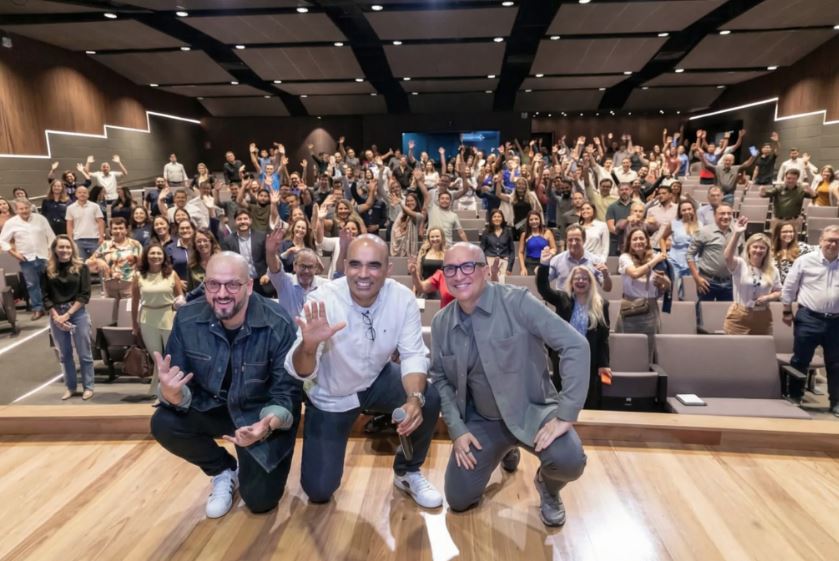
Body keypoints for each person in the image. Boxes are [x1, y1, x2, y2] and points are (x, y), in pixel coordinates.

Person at [430, 242, 588, 526]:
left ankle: (548, 488)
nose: (458, 275)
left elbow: (576, 346)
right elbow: (440, 378)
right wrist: (457, 430)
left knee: (569, 460)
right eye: (450, 268)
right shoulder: (442, 321)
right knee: (458, 499)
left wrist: (566, 414)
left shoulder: (518, 302)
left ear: (485, 270)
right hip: (484, 420)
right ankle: (505, 448)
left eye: (468, 266)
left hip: (534, 412)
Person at [285, 235, 443, 508]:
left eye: (373, 266)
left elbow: (413, 354)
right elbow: (300, 371)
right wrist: (309, 346)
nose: (363, 274)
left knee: (428, 397)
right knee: (319, 491)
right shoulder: (322, 300)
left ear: (388, 269)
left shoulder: (402, 297)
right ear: (344, 266)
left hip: (377, 379)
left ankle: (407, 472)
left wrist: (414, 399)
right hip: (331, 396)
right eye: (355, 265)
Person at [150, 252, 303, 518]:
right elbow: (179, 382)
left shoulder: (277, 322)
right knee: (163, 422)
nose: (222, 293)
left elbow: (287, 393)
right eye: (213, 284)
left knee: (260, 502)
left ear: (250, 286)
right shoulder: (187, 320)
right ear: (205, 285)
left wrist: (265, 426)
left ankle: (252, 461)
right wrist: (172, 395)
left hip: (259, 416)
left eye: (232, 284)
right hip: (212, 407)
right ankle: (223, 470)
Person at [537, 257, 610, 409]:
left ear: (590, 282)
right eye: (577, 278)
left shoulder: (601, 304)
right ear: (571, 282)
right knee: (563, 397)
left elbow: (603, 338)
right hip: (564, 357)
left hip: (589, 358)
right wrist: (544, 265)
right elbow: (543, 288)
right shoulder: (563, 299)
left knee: (588, 398)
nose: (581, 281)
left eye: (585, 278)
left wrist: (604, 364)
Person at [781, 224, 839, 413]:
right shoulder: (805, 260)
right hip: (809, 318)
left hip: (836, 321)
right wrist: (787, 310)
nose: (833, 244)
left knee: (836, 363)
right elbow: (790, 286)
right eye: (830, 240)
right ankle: (796, 397)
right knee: (800, 360)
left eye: (837, 241)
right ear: (821, 241)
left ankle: (836, 402)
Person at [41, 236, 94, 400]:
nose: (64, 250)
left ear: (72, 249)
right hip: (56, 315)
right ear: (55, 250)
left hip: (77, 313)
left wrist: (68, 314)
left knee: (84, 353)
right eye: (61, 247)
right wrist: (56, 316)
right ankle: (70, 387)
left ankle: (88, 387)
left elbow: (85, 294)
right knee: (64, 355)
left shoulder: (81, 268)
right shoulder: (47, 270)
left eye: (68, 247)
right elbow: (45, 296)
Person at [131, 243, 184, 399]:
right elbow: (134, 302)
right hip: (147, 318)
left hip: (169, 316)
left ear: (164, 256)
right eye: (152, 253)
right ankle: (161, 391)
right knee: (157, 358)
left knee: (169, 357)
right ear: (146, 256)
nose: (155, 256)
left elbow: (181, 299)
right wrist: (134, 324)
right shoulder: (139, 276)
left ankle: (162, 391)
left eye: (159, 253)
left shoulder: (172, 274)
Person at [617, 227, 671, 362]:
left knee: (649, 349)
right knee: (627, 349)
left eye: (642, 238)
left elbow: (667, 285)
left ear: (647, 241)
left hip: (650, 310)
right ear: (629, 243)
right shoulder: (625, 257)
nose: (638, 241)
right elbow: (635, 274)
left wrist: (663, 282)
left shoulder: (655, 257)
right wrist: (655, 261)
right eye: (634, 239)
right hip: (630, 308)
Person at [722, 217, 781, 335]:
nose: (758, 250)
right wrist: (737, 234)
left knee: (760, 350)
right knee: (734, 350)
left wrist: (768, 298)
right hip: (739, 315)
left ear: (767, 251)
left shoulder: (773, 269)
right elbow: (727, 257)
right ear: (748, 249)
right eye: (755, 247)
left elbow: (779, 291)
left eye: (762, 248)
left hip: (763, 315)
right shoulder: (740, 264)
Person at [0, 199, 56, 320]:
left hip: (44, 256)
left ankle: (51, 306)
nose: (24, 211)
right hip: (26, 258)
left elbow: (51, 236)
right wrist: (14, 253)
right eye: (21, 209)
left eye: (26, 208)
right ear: (16, 210)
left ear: (30, 207)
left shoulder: (40, 219)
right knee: (32, 284)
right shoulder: (11, 223)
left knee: (46, 283)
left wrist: (51, 252)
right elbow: (2, 240)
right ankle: (37, 309)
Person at [266, 227, 327, 319]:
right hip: (290, 332)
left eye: (310, 267)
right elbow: (275, 268)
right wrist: (271, 252)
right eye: (303, 266)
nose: (306, 271)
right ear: (295, 266)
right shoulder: (285, 282)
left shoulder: (325, 286)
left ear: (316, 268)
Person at [687, 204, 736, 307]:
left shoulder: (737, 232)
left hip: (730, 282)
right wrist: (696, 277)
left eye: (729, 213)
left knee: (727, 316)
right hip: (707, 282)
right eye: (722, 213)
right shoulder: (704, 232)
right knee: (702, 315)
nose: (726, 216)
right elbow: (690, 254)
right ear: (714, 216)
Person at [88, 217, 142, 298]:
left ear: (126, 230)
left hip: (129, 285)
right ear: (111, 231)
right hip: (110, 286)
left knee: (129, 310)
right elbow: (87, 262)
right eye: (115, 228)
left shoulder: (135, 244)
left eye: (121, 228)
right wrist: (98, 261)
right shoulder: (105, 245)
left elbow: (143, 264)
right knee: (110, 310)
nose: (118, 231)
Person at [547, 225, 612, 293]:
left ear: (584, 240)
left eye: (577, 239)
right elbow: (543, 282)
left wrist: (606, 276)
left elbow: (607, 289)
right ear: (566, 241)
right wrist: (542, 269)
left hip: (587, 301)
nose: (574, 243)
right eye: (570, 240)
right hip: (563, 301)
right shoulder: (557, 260)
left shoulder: (596, 260)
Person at [221, 210, 271, 297]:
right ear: (235, 222)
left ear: (250, 221)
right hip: (240, 284)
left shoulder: (261, 237)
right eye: (239, 219)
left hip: (262, 282)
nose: (243, 221)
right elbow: (226, 265)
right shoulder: (227, 241)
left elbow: (270, 258)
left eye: (245, 219)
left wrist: (268, 274)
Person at [661, 199, 700, 300]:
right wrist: (664, 253)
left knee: (692, 292)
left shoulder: (700, 224)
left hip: (694, 261)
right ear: (680, 212)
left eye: (689, 209)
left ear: (693, 210)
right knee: (674, 290)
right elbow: (662, 238)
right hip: (675, 260)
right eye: (684, 210)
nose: (687, 211)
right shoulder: (673, 224)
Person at [65, 186, 105, 260]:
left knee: (98, 262)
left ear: (88, 195)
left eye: (84, 193)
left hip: (94, 239)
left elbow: (100, 222)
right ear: (76, 194)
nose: (82, 194)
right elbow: (69, 225)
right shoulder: (70, 208)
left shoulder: (95, 206)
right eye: (79, 192)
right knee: (81, 264)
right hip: (78, 240)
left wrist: (101, 237)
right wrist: (70, 239)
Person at [480, 209, 515, 284]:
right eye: (494, 217)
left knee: (502, 287)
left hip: (504, 263)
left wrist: (509, 268)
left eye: (499, 216)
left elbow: (512, 251)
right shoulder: (486, 232)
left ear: (502, 218)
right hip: (489, 262)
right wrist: (486, 267)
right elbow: (481, 251)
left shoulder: (508, 232)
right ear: (491, 219)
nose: (497, 218)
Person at [517, 210, 557, 275]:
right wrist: (523, 268)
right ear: (528, 222)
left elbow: (554, 248)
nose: (534, 221)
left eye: (536, 219)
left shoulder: (547, 233)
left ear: (540, 220)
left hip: (544, 262)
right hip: (530, 264)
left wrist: (549, 252)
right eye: (531, 220)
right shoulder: (524, 235)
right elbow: (520, 252)